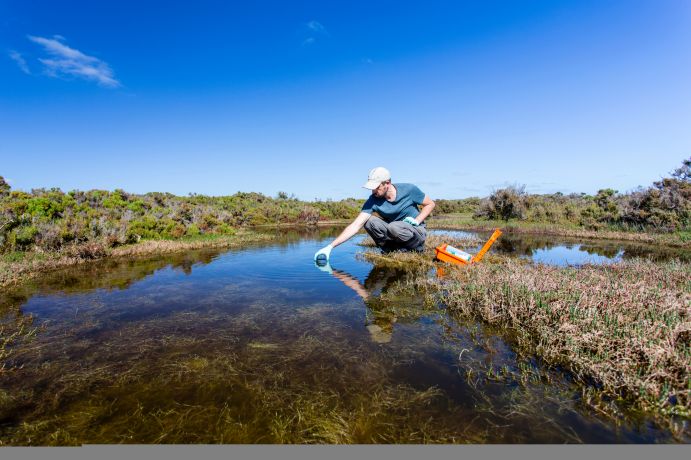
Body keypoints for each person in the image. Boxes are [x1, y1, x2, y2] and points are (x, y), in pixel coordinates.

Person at [314, 166, 435, 261]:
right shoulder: (373, 200)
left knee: (394, 227)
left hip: (416, 231)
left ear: (387, 183)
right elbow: (355, 225)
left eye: (376, 187)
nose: (373, 191)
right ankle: (390, 250)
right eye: (371, 187)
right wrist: (330, 247)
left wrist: (417, 220)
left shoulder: (409, 189)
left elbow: (430, 204)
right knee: (369, 221)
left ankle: (417, 249)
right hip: (395, 231)